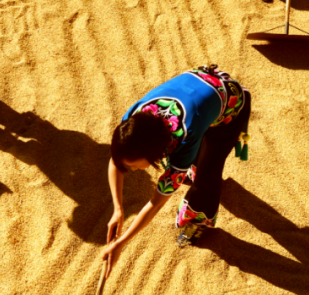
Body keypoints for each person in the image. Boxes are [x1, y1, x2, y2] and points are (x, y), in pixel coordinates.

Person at [102, 65, 252, 272]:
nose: (133, 170)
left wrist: (121, 242)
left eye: (134, 165)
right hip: (200, 90)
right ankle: (190, 167)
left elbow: (155, 204)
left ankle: (198, 221)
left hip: (230, 105)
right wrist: (117, 210)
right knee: (191, 158)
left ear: (154, 153)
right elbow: (116, 160)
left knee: (208, 169)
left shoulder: (184, 136)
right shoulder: (131, 122)